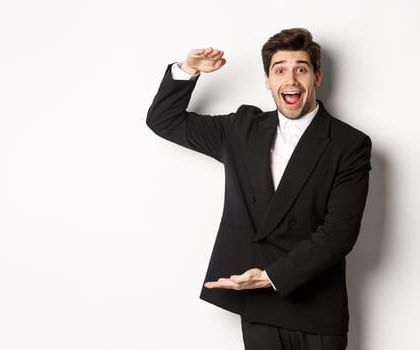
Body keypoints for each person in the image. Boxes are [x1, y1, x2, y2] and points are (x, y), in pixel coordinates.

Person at [146, 28, 371, 349]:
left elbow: (339, 233)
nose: (290, 80)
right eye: (280, 70)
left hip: (318, 307)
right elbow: (164, 121)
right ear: (267, 80)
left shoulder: (350, 144)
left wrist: (271, 276)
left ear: (317, 77)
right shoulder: (241, 129)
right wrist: (188, 68)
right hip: (260, 307)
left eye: (301, 69)